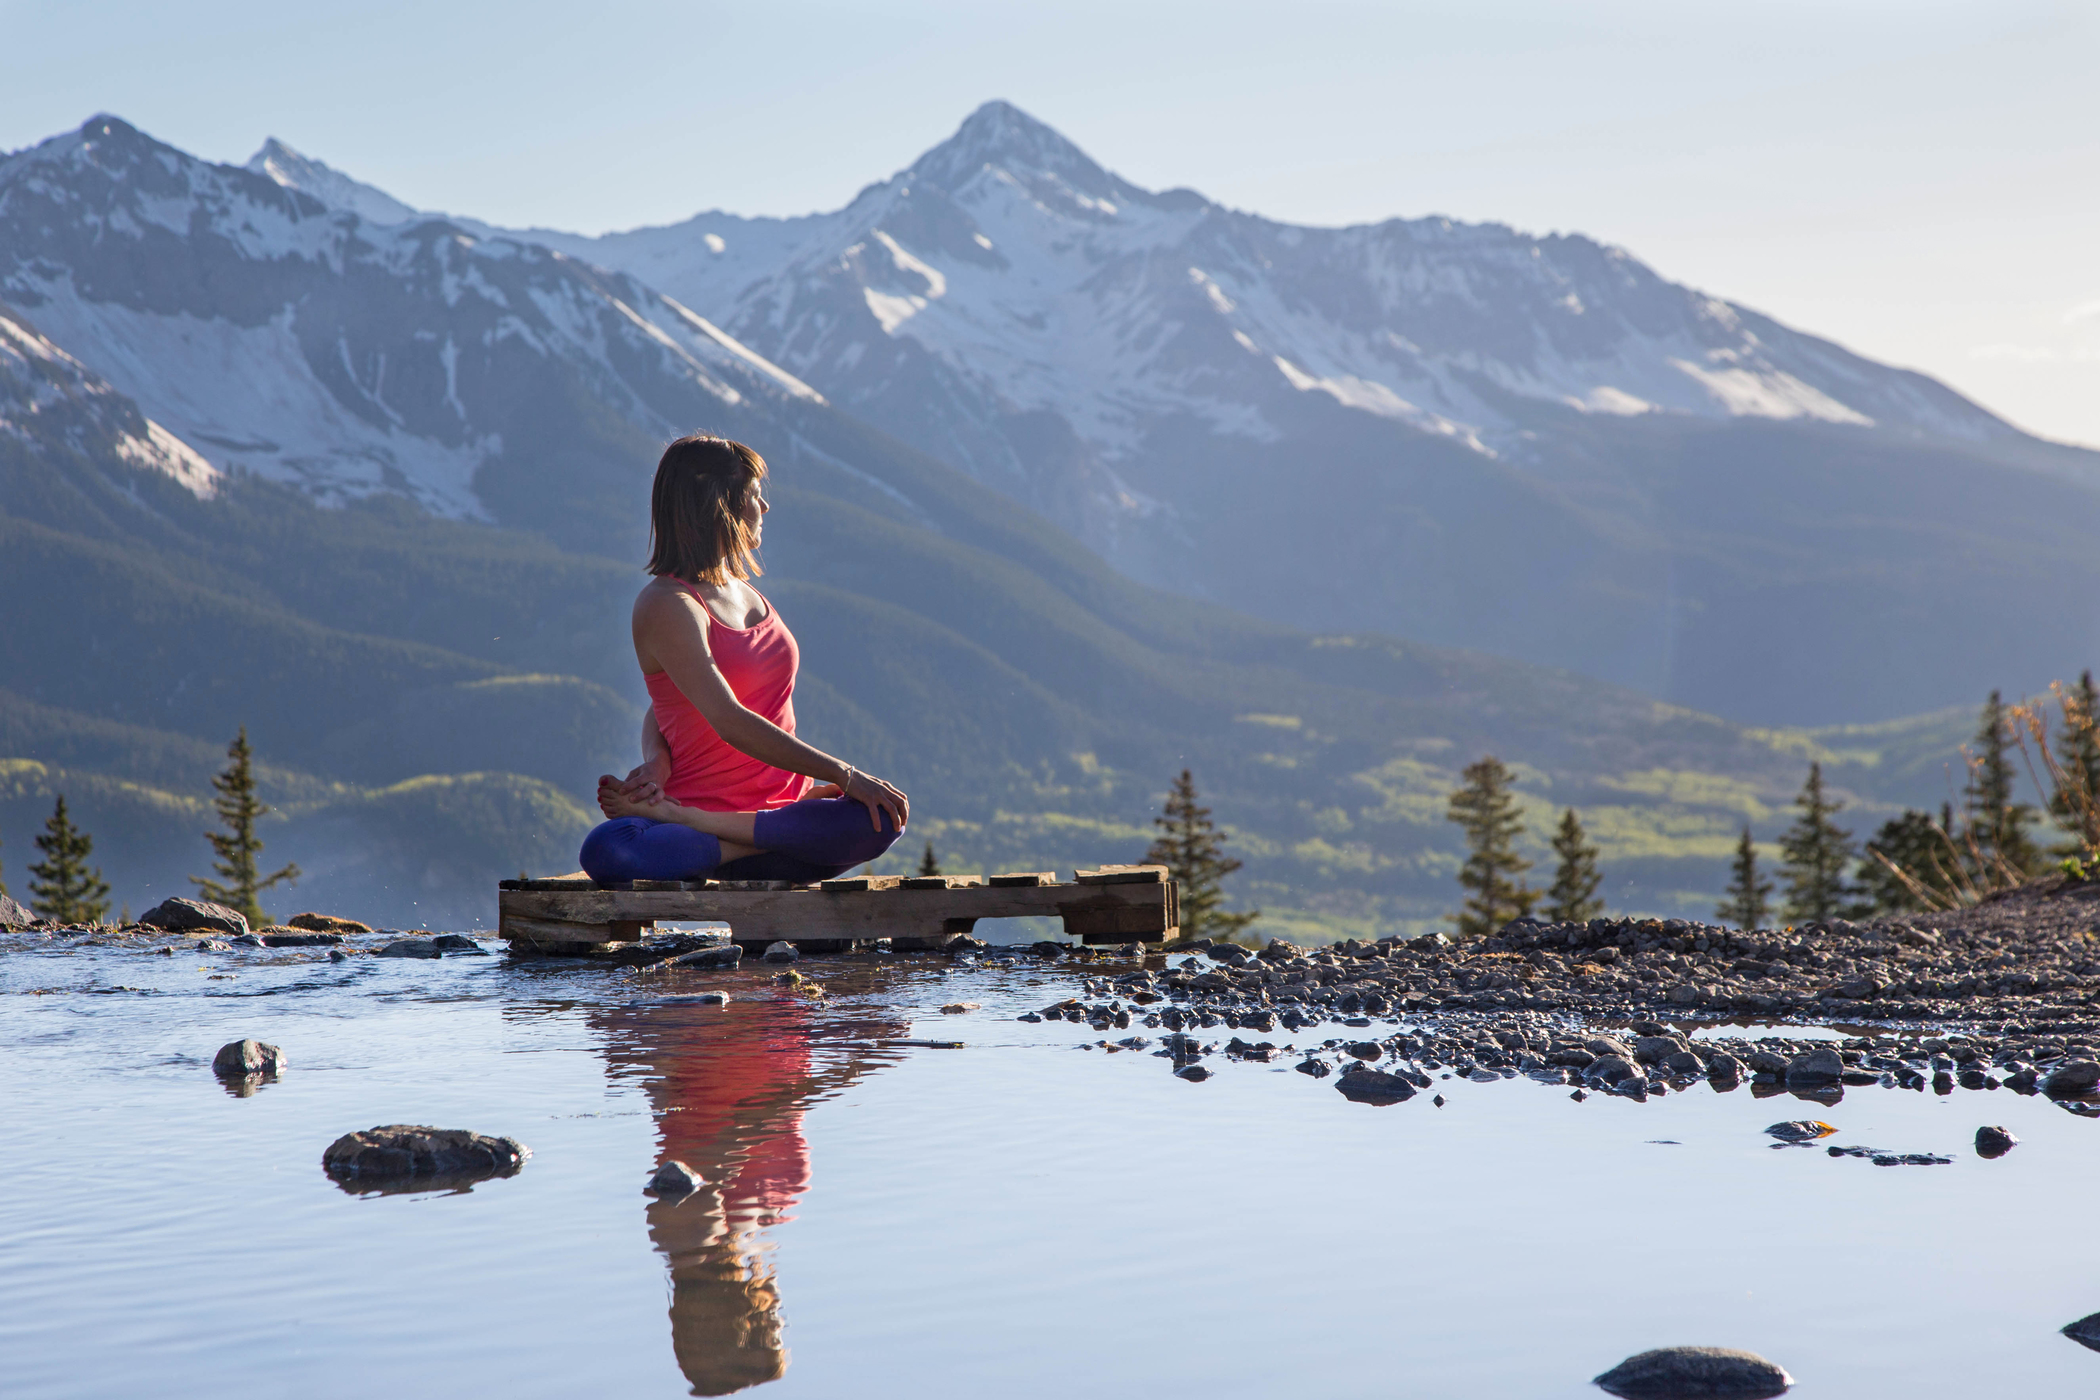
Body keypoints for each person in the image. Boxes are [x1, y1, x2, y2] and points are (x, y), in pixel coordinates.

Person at [580, 435, 908, 885]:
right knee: (609, 849)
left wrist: (655, 762)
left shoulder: (742, 589)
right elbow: (725, 718)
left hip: (777, 813)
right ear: (722, 506)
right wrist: (845, 775)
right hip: (713, 817)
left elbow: (664, 708)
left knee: (882, 818)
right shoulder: (669, 604)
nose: (765, 509)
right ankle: (721, 829)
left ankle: (727, 841)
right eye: (755, 496)